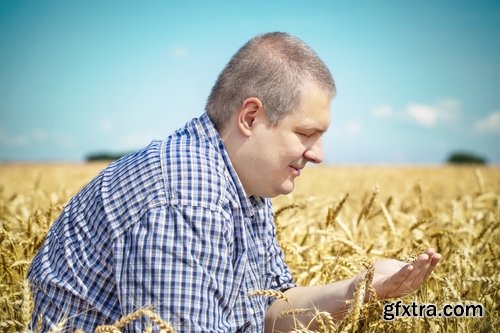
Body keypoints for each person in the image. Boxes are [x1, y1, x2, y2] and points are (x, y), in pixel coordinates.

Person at [27, 32, 441, 332]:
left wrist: (364, 288)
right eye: (305, 134)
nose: (318, 154)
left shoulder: (244, 186)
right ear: (250, 118)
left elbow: (272, 310)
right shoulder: (186, 195)